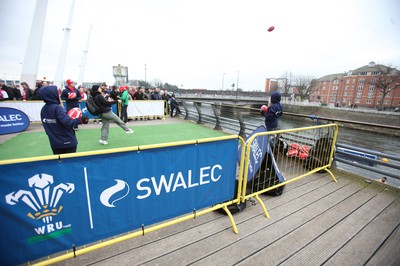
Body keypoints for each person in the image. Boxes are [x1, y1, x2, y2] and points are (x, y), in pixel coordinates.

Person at [38, 85, 81, 154]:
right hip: (67, 142)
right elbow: (68, 123)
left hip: (55, 143)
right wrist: (79, 120)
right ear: (53, 95)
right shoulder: (58, 108)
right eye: (58, 93)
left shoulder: (44, 109)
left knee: (59, 163)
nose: (59, 94)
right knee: (70, 163)